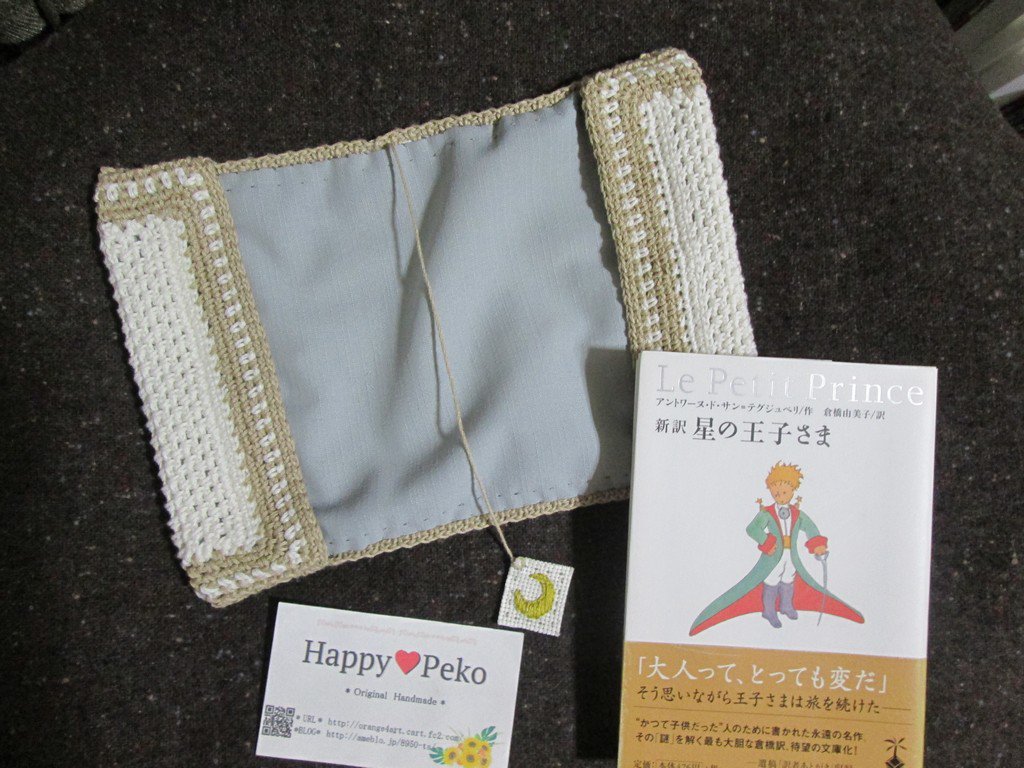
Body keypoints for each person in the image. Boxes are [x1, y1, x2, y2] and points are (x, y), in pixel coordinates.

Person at [689, 462, 863, 635]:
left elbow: (810, 528)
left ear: (793, 490)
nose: (780, 497)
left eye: (784, 492)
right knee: (772, 581)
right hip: (772, 557)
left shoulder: (797, 514)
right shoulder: (767, 513)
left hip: (791, 556)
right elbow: (752, 529)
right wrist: (766, 541)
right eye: (776, 493)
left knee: (788, 579)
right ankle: (769, 611)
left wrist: (818, 545)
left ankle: (786, 606)